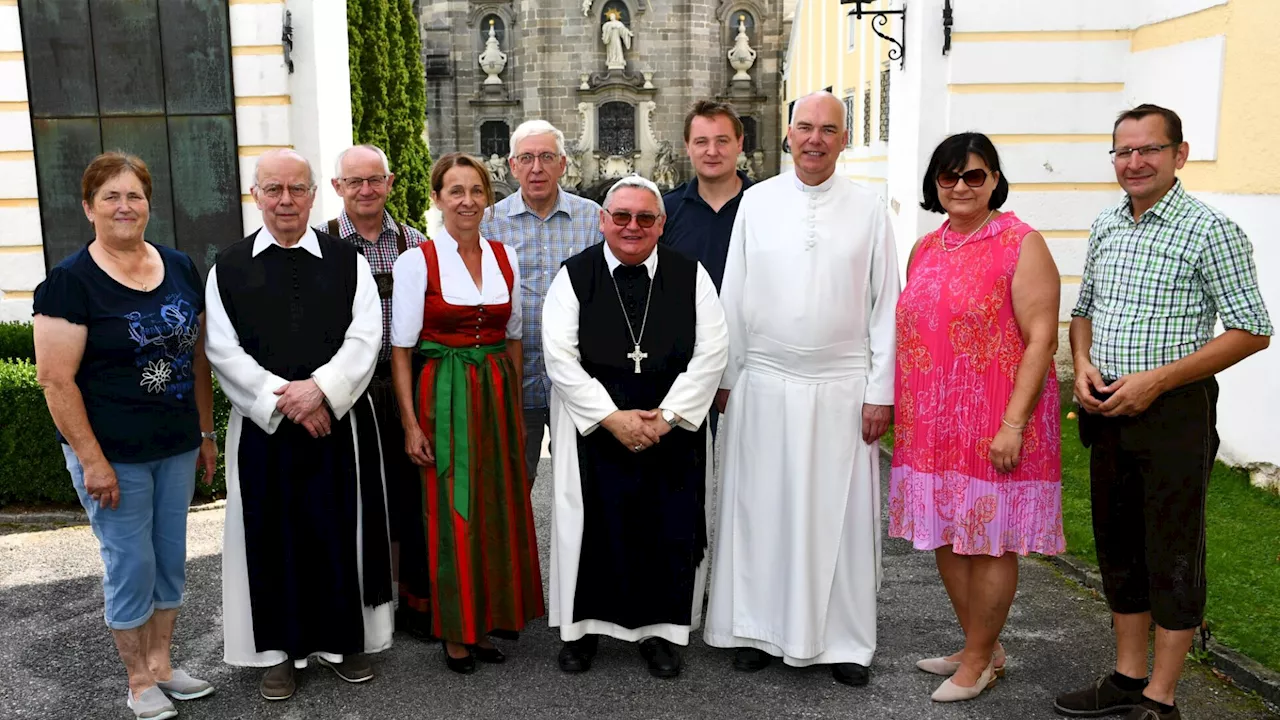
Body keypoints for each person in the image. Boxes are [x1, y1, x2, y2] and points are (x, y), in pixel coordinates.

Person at [1056, 105, 1271, 720]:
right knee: (1118, 545)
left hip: (1174, 409)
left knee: (1172, 548)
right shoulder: (1106, 224)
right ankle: (1127, 678)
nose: (1134, 162)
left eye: (1149, 149)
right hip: (1108, 405)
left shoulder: (1211, 230)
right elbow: (1084, 309)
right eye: (1123, 151)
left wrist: (1157, 382)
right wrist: (1084, 361)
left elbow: (1252, 330)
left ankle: (1162, 698)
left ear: (1179, 154)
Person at [704, 91, 899, 687]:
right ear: (788, 135)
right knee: (761, 509)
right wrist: (727, 378)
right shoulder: (756, 203)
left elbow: (886, 303)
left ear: (844, 138)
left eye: (829, 129)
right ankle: (757, 630)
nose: (816, 139)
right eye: (805, 128)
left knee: (838, 516)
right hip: (762, 382)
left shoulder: (869, 209)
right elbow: (732, 295)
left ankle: (842, 641)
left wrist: (881, 389)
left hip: (842, 386)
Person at [33, 152, 217, 720]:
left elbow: (198, 358)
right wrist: (91, 460)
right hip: (114, 456)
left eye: (134, 195)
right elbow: (55, 381)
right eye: (110, 196)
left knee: (168, 561)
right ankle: (138, 680)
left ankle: (163, 665)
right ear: (88, 208)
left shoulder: (180, 265)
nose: (124, 206)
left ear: (148, 204)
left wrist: (207, 433)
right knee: (129, 564)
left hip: (177, 444)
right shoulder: (68, 283)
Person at [206, 149, 393, 701]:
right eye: (273, 190)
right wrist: (281, 398)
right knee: (270, 537)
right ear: (255, 195)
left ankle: (341, 643)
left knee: (338, 528)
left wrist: (322, 392)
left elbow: (366, 337)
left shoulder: (346, 261)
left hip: (337, 425)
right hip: (263, 430)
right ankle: (278, 653)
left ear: (315, 194)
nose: (285, 200)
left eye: (297, 189)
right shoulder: (229, 266)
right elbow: (221, 347)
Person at [889, 133, 1064, 703]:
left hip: (995, 421)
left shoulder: (1021, 243)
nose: (961, 186)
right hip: (931, 423)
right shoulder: (925, 248)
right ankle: (978, 645)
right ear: (934, 184)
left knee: (989, 541)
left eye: (975, 176)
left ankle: (981, 659)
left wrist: (1014, 422)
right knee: (945, 532)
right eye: (949, 176)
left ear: (994, 181)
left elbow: (1041, 339)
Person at [543, 176, 728, 679]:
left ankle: (661, 633)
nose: (632, 226)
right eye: (621, 216)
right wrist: (610, 418)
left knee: (665, 528)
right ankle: (581, 632)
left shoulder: (692, 276)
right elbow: (559, 356)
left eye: (645, 218)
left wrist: (666, 419)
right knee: (591, 531)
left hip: (670, 429)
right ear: (602, 220)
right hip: (595, 428)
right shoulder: (574, 276)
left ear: (661, 224)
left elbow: (713, 354)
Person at [390, 152, 545, 675]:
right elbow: (403, 349)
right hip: (445, 393)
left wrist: (518, 407)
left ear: (489, 197)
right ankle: (456, 632)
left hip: (496, 395)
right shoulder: (418, 260)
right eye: (455, 191)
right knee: (453, 510)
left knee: (495, 505)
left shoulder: (505, 256)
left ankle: (487, 620)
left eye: (477, 190)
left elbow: (515, 336)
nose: (467, 201)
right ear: (436, 199)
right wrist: (412, 424)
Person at [321, 143, 429, 637]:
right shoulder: (318, 244)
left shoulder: (417, 243)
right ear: (337, 187)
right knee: (358, 493)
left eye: (374, 180)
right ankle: (367, 600)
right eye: (354, 181)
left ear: (390, 183)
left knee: (411, 494)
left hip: (408, 385)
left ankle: (411, 600)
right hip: (348, 391)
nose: (365, 190)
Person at [480, 120, 603, 486]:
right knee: (514, 487)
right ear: (512, 165)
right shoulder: (489, 224)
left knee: (585, 485)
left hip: (580, 378)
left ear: (563, 164)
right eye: (527, 158)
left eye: (547, 157)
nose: (537, 168)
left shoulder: (593, 219)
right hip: (519, 379)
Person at [661, 100, 753, 437]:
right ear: (687, 147)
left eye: (722, 140)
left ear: (740, 143)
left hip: (752, 359)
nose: (711, 151)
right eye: (701, 141)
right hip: (686, 361)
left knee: (753, 469)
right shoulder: (666, 210)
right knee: (684, 475)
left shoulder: (764, 205)